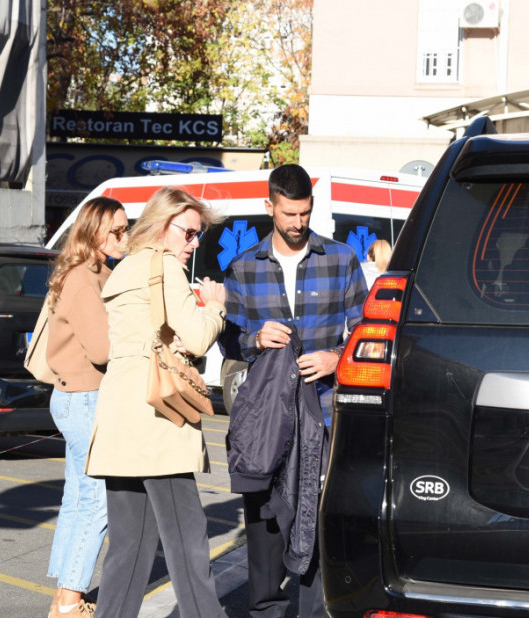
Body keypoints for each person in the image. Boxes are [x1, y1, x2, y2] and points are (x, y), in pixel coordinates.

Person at [220, 164, 368, 618]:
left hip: (324, 413)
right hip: (267, 418)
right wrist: (254, 339)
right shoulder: (243, 268)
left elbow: (365, 330)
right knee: (265, 523)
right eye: (289, 213)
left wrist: (336, 359)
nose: (298, 223)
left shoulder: (341, 259)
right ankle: (265, 610)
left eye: (305, 213)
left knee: (316, 524)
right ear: (270, 207)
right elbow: (228, 340)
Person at [85, 187, 228, 618]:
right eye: (188, 232)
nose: (194, 243)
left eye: (198, 235)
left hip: (119, 413)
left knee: (129, 545)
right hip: (157, 416)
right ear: (162, 225)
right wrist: (215, 308)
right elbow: (198, 338)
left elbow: (134, 335)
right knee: (187, 538)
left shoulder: (126, 266)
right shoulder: (164, 265)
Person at [45, 196, 128, 618]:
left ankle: (64, 595)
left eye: (126, 229)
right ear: (94, 232)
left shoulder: (92, 272)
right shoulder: (84, 278)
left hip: (77, 396)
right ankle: (69, 602)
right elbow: (101, 349)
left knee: (79, 496)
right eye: (117, 231)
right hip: (84, 398)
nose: (124, 238)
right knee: (96, 500)